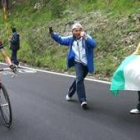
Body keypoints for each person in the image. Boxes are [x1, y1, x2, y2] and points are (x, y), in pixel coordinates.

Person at [49, 23, 96, 109]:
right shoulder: (71, 39)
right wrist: (52, 34)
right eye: (76, 31)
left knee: (79, 79)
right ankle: (83, 101)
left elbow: (93, 44)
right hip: (77, 62)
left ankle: (70, 93)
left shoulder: (86, 37)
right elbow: (61, 40)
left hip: (86, 63)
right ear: (73, 32)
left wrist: (85, 37)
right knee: (79, 79)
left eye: (79, 30)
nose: (78, 32)